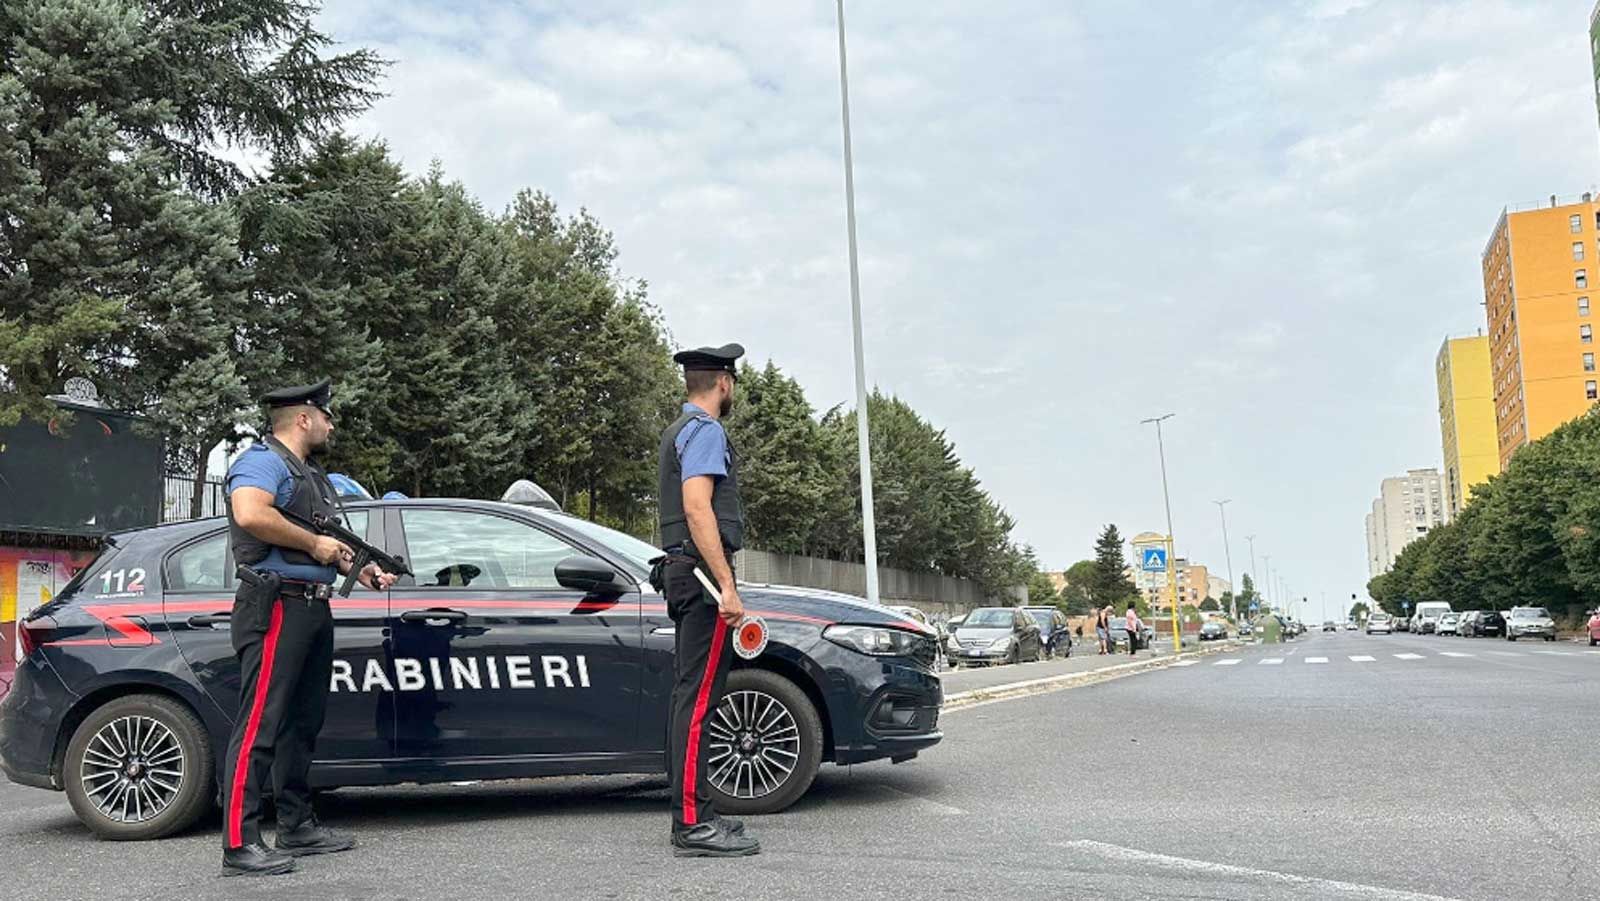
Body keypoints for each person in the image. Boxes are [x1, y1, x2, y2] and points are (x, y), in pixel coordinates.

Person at [219, 379, 398, 877]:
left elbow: (326, 545)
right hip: (276, 604)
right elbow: (251, 513)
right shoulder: (263, 462)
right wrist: (314, 545)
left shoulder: (310, 476)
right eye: (326, 416)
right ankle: (240, 842)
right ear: (304, 418)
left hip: (313, 607)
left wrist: (359, 570)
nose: (331, 424)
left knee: (302, 722)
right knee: (261, 724)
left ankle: (296, 825)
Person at [656, 343, 761, 858]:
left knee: (691, 696)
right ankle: (692, 825)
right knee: (697, 702)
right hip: (701, 576)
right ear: (723, 383)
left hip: (684, 572)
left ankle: (696, 810)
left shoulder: (679, 429)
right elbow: (699, 510)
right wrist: (728, 587)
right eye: (732, 382)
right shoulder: (706, 430)